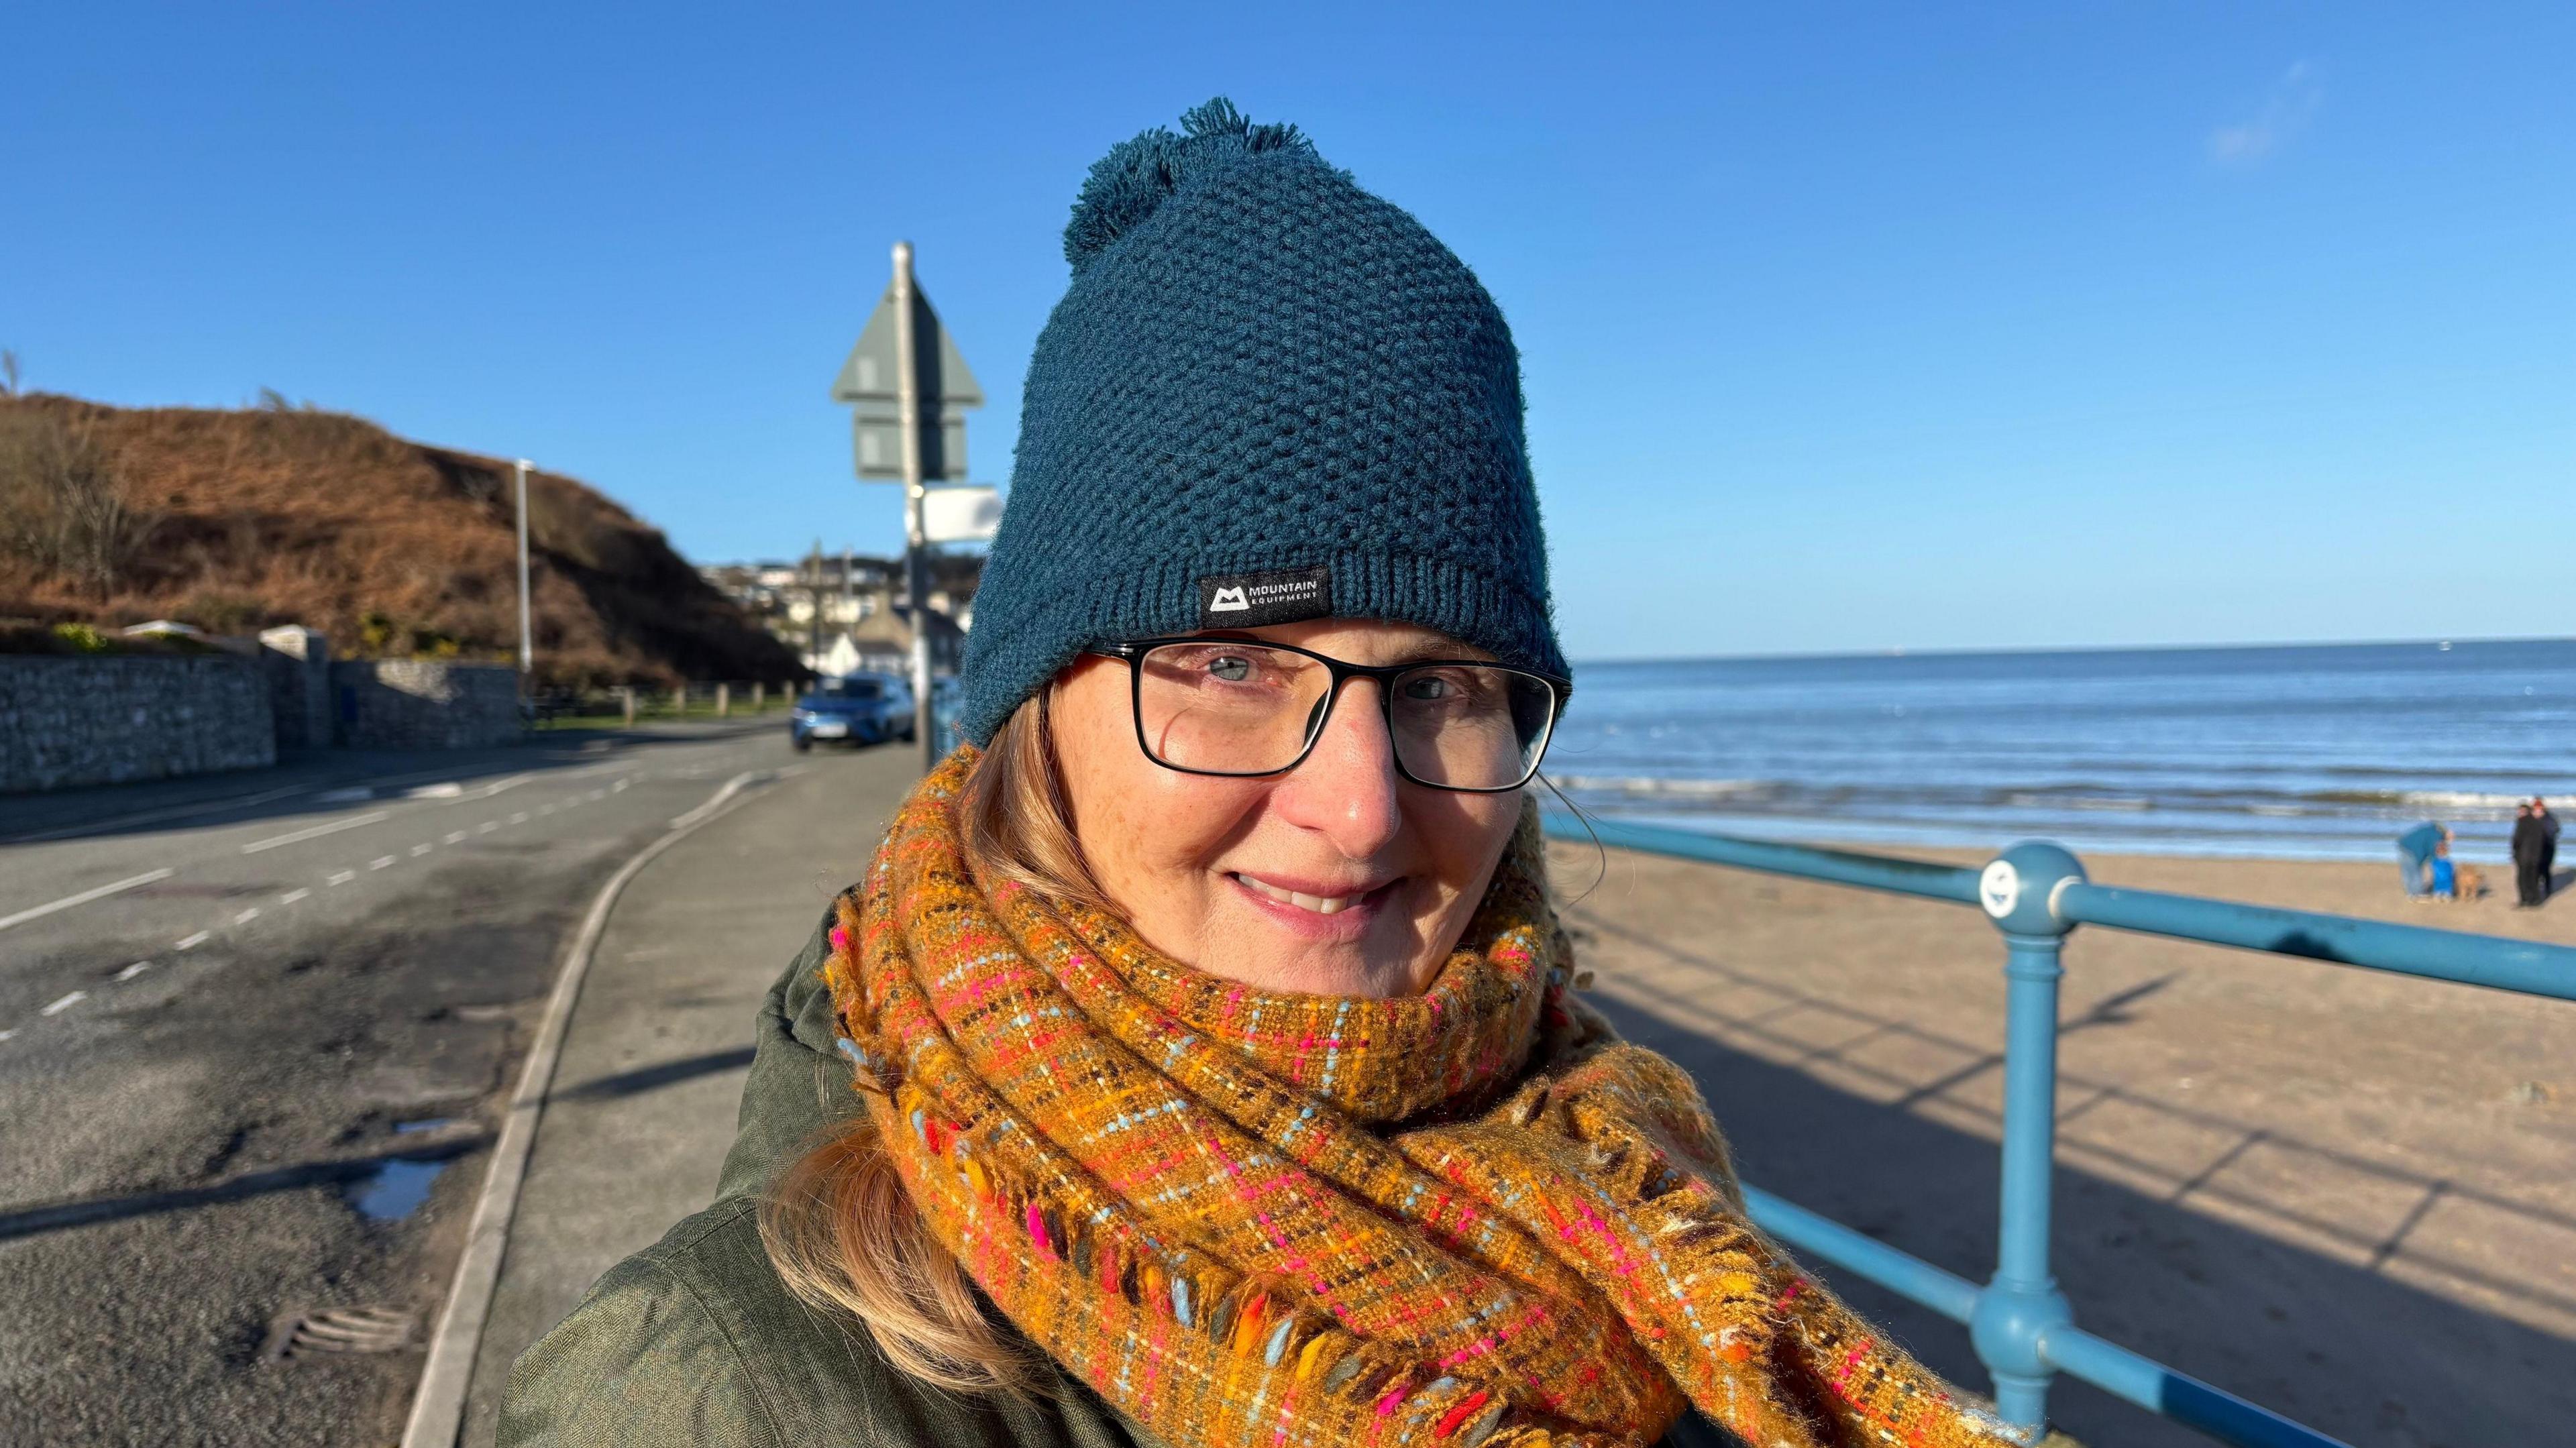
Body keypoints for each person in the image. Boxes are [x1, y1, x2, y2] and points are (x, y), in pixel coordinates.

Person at [502, 100, 2020, 1448]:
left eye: (1436, 684)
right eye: (1230, 663)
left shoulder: (1639, 1195)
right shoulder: (718, 1389)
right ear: (1032, 715)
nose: (1359, 807)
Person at [2396, 820, 2445, 901]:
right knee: (2416, 871)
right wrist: (2435, 860)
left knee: (2407, 871)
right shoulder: (2437, 835)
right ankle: (2417, 893)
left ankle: (2410, 893)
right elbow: (2432, 849)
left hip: (2403, 845)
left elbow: (2426, 845)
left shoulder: (2428, 829)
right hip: (2413, 850)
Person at [2513, 802, 2548, 907]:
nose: (2519, 813)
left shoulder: (2522, 822)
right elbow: (2543, 840)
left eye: (2521, 811)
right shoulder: (2538, 823)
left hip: (2523, 856)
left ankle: (2524, 899)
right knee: (2533, 878)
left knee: (2522, 879)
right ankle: (2535, 900)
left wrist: (2516, 851)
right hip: (2536, 856)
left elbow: (2517, 840)